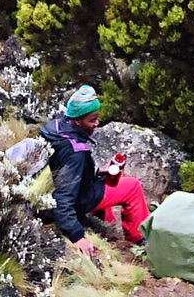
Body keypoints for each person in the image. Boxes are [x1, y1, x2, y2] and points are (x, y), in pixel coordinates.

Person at [42, 86, 150, 255]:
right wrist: (77, 236)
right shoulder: (76, 153)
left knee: (104, 185)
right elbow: (63, 197)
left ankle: (108, 229)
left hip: (49, 192)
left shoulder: (54, 128)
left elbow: (62, 169)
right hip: (80, 198)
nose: (96, 123)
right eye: (92, 120)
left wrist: (97, 172)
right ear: (78, 121)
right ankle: (139, 239)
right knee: (133, 186)